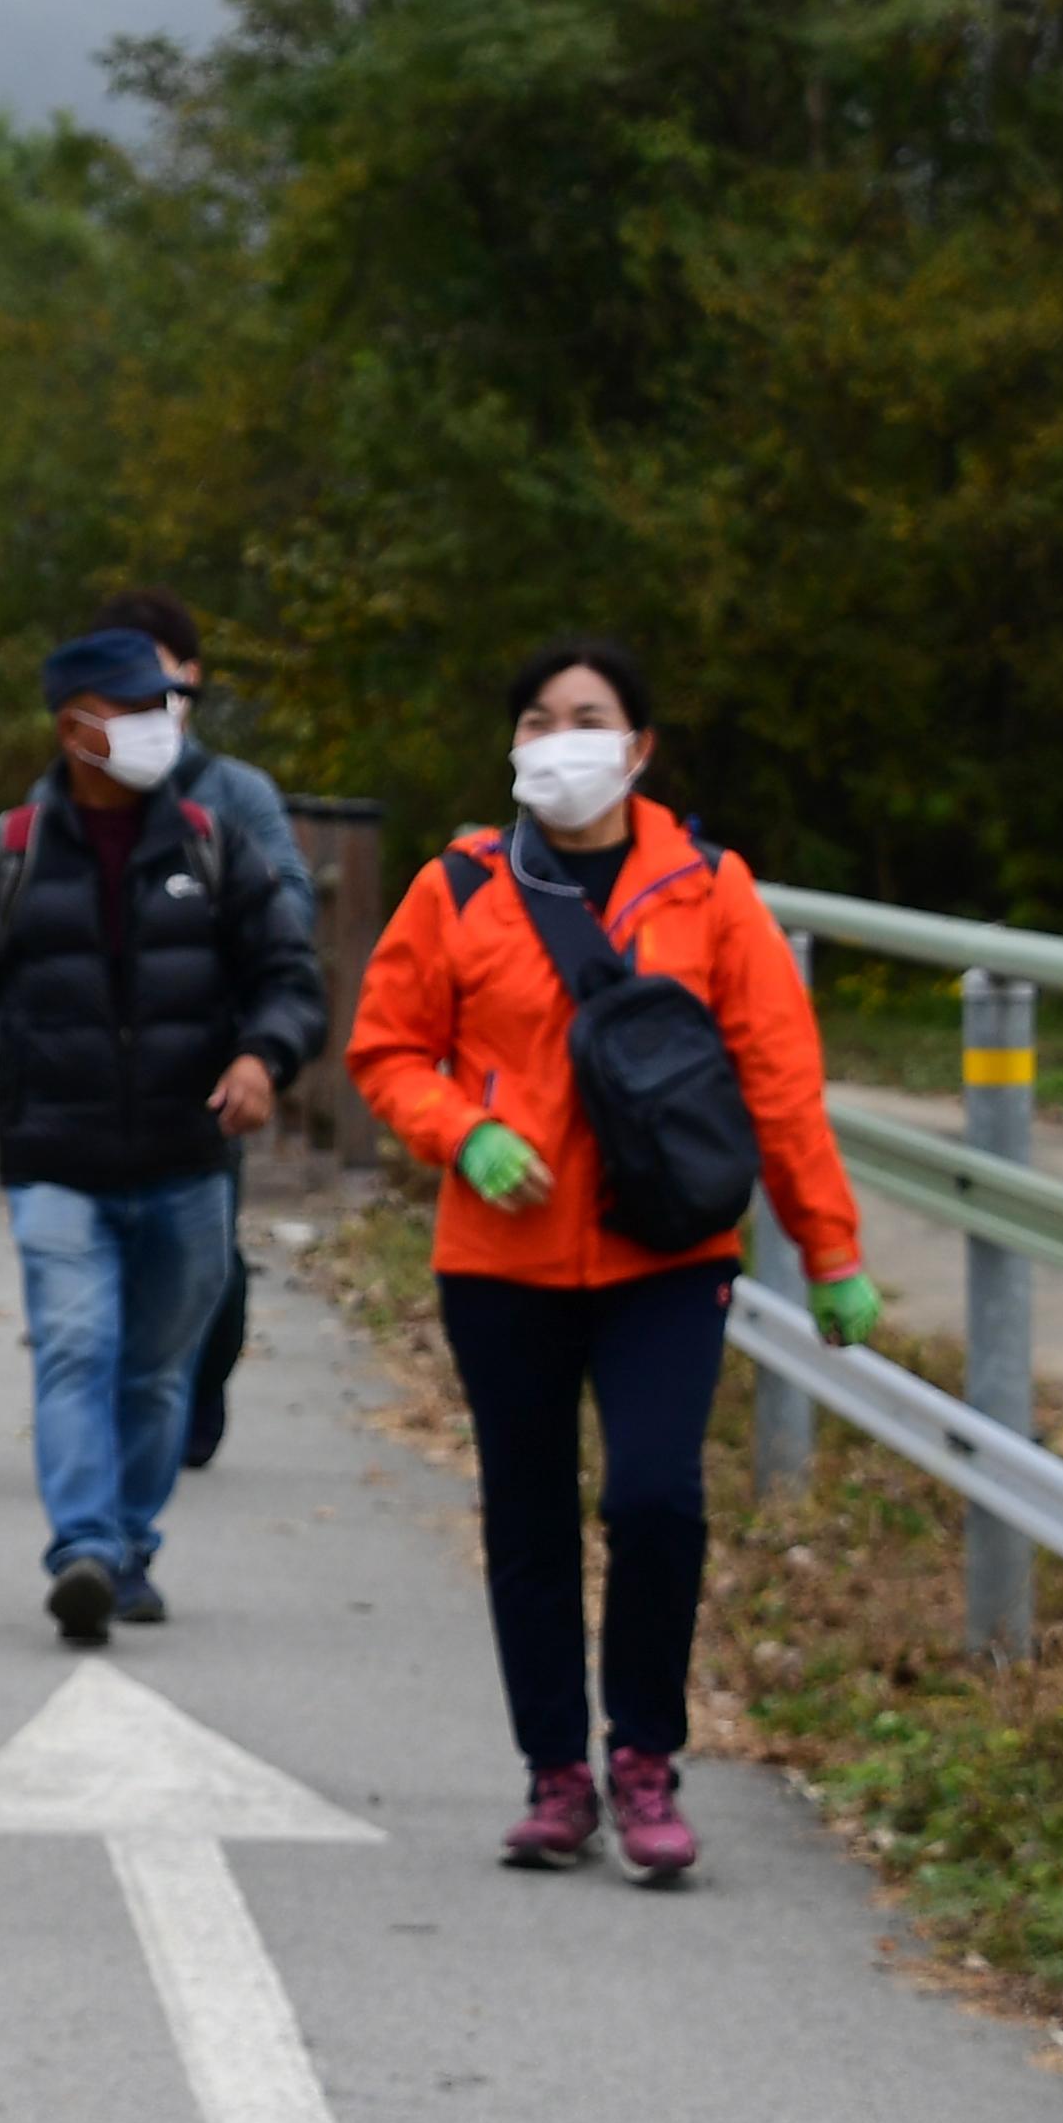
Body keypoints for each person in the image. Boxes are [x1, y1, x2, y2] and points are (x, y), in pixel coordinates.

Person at [347, 638, 882, 1884]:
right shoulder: (460, 884)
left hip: (664, 1253)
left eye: (588, 717)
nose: (560, 738)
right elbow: (386, 1048)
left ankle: (646, 1755)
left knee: (654, 1499)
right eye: (537, 718)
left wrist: (831, 1246)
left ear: (640, 747)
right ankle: (556, 1774)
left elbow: (781, 1081)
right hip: (500, 1261)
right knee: (527, 1519)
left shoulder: (710, 889)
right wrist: (462, 1131)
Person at [0, 627, 326, 1647]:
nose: (155, 727)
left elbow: (288, 976)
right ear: (73, 727)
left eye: (162, 708)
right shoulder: (6, 852)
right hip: (58, 1158)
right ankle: (83, 1546)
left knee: (157, 1368)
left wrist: (264, 1057)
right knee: (78, 1345)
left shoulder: (217, 846)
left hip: (189, 1157)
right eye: (130, 710)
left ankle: (129, 1540)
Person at [92, 589, 313, 1476]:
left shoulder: (237, 794)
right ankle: (116, 1419)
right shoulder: (71, 790)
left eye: (160, 670)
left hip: (205, 1067)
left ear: (193, 679)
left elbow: (290, 903)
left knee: (204, 1262)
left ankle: (200, 1379)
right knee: (93, 1261)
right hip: (95, 1074)